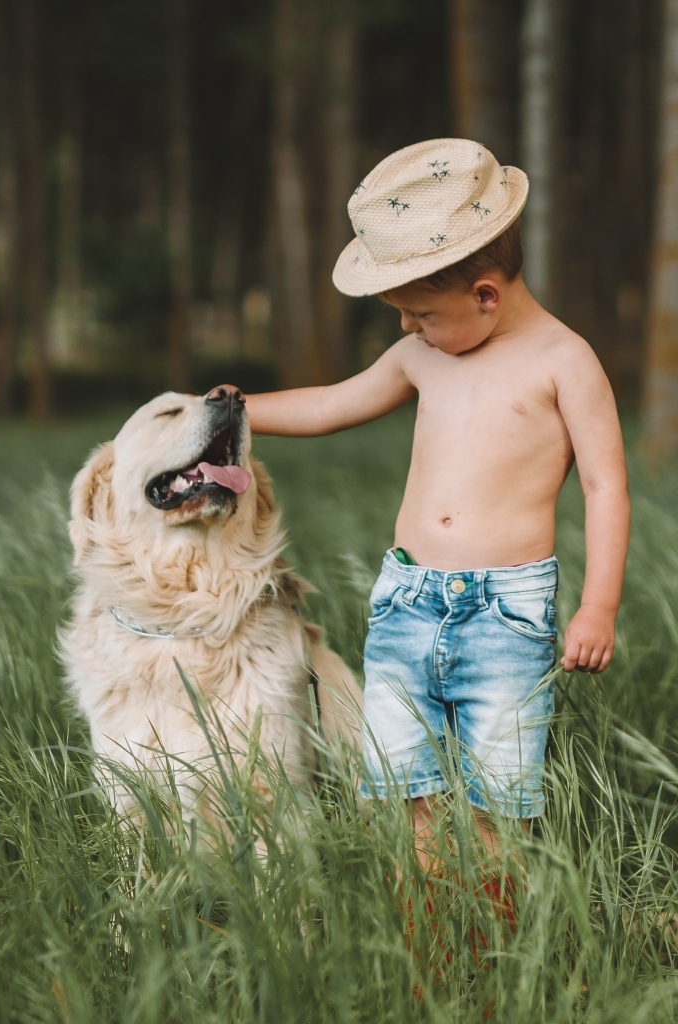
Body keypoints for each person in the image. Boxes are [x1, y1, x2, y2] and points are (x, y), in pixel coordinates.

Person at [241, 137, 629, 876]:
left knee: (498, 792)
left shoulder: (564, 362)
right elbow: (330, 404)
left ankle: (490, 936)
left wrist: (599, 606)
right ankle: (421, 932)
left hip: (505, 616)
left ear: (485, 293)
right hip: (407, 602)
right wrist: (237, 412)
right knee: (400, 780)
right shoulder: (424, 355)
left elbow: (606, 485)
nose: (406, 328)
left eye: (419, 312)